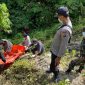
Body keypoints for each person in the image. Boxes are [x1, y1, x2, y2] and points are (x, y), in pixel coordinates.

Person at [46, 6, 72, 82]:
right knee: (52, 62)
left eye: (59, 16)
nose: (58, 18)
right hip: (54, 48)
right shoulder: (67, 21)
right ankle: (51, 69)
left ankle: (56, 75)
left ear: (62, 16)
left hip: (57, 51)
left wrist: (59, 57)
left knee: (55, 64)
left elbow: (64, 45)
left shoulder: (65, 30)